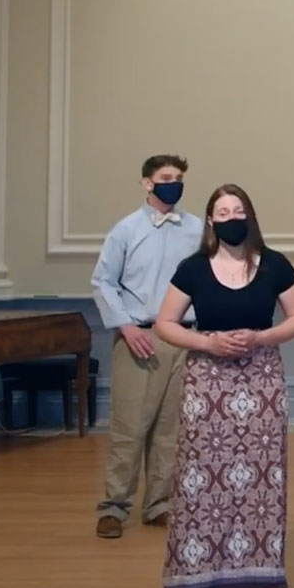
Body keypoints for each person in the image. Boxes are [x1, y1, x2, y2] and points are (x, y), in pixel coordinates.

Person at [152, 184, 294, 588]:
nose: (231, 217)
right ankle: (198, 582)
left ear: (250, 216)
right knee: (201, 480)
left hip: (262, 381)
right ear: (210, 221)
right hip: (208, 384)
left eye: (238, 210)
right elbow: (166, 324)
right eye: (222, 212)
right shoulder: (194, 268)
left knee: (263, 479)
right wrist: (207, 344)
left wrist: (261, 337)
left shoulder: (275, 265)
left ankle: (268, 580)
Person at [89, 154, 204, 540]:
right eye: (166, 177)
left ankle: (159, 504)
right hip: (137, 336)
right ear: (147, 183)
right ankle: (113, 508)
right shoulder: (125, 230)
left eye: (179, 178)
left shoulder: (197, 230)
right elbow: (103, 281)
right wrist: (125, 325)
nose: (173, 183)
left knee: (171, 429)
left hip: (183, 336)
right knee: (129, 427)